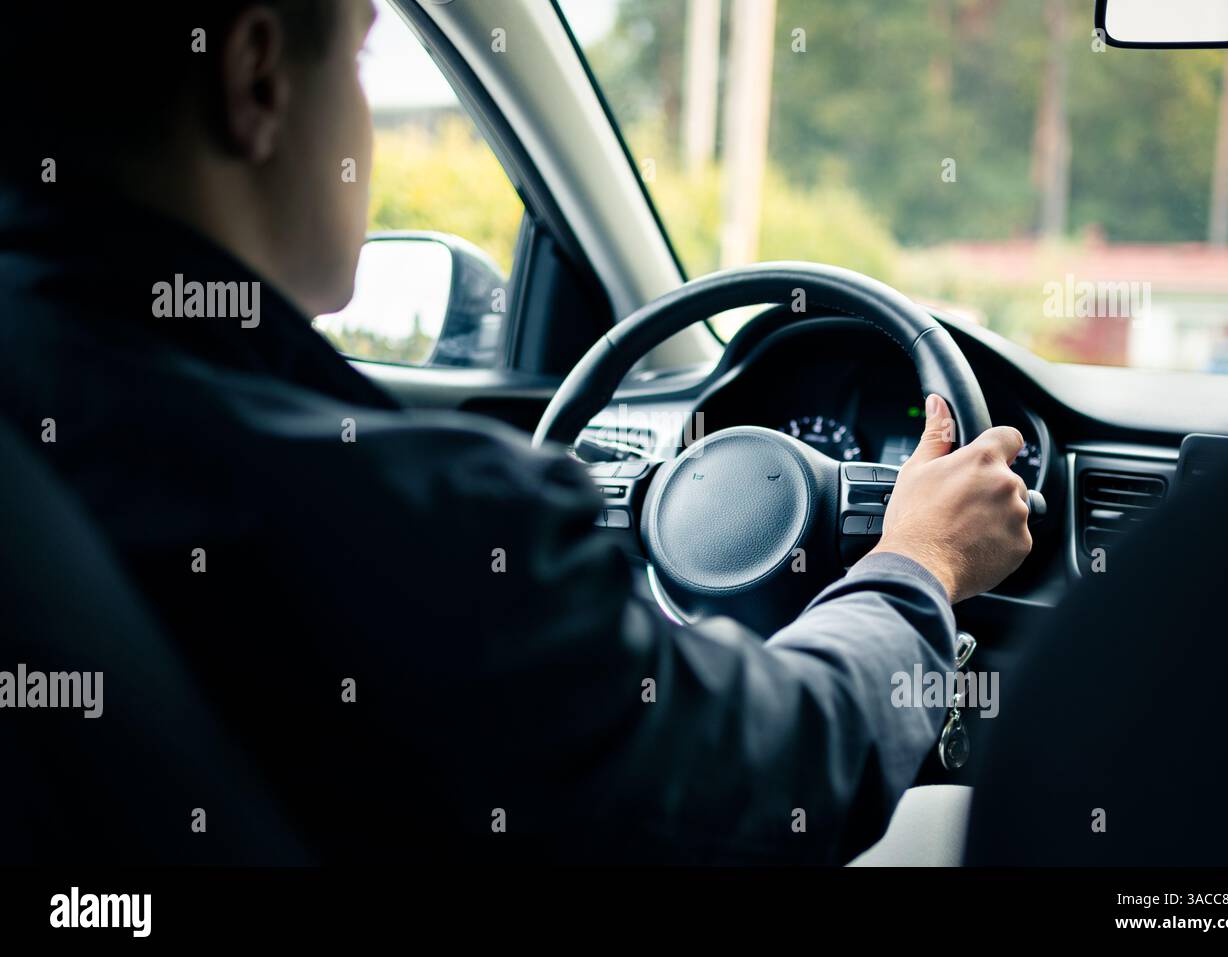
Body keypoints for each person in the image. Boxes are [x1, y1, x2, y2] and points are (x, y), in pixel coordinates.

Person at [0, 1, 1031, 864]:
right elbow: (764, 782)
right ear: (258, 77)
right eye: (360, 59)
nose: (366, 127)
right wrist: (918, 563)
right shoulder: (431, 521)